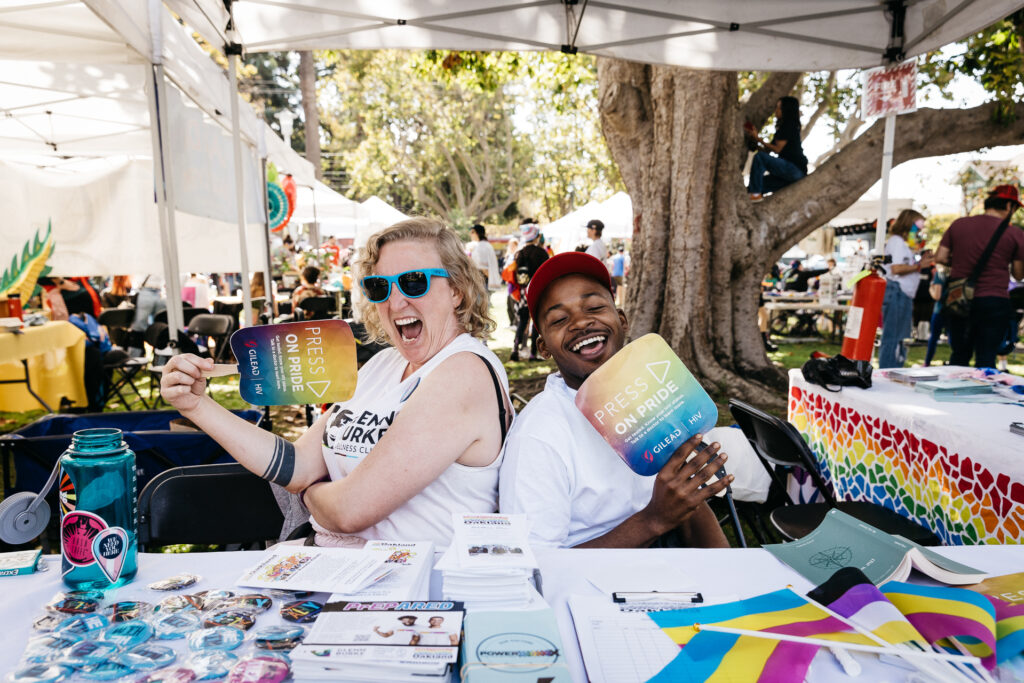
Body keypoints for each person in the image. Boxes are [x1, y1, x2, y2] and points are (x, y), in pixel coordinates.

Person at [160, 218, 512, 548]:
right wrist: (197, 406)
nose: (394, 300)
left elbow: (348, 512)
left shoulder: (463, 372)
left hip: (413, 592)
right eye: (378, 286)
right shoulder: (385, 364)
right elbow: (296, 465)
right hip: (336, 573)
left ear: (457, 291)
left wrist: (309, 492)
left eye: (414, 281)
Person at [499, 252, 733, 548]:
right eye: (559, 319)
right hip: (588, 586)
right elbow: (536, 565)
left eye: (595, 307)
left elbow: (688, 506)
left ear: (621, 320)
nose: (581, 322)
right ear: (544, 347)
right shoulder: (540, 435)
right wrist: (654, 520)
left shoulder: (654, 394)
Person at [935, 184, 1024, 368]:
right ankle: (982, 395)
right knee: (986, 357)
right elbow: (1018, 274)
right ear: (1009, 206)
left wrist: (960, 261)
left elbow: (941, 257)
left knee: (959, 355)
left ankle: (953, 394)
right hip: (993, 301)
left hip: (959, 299)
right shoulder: (1014, 233)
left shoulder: (959, 224)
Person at [879, 210, 932, 369]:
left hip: (903, 293)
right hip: (897, 292)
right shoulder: (896, 241)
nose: (919, 231)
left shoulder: (904, 244)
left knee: (899, 337)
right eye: (918, 226)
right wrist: (918, 266)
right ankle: (888, 369)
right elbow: (896, 268)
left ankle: (894, 367)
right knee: (893, 337)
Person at [745, 96, 808, 201]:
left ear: (785, 110)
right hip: (787, 176)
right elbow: (768, 151)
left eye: (778, 108)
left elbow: (777, 149)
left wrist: (758, 139)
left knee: (759, 157)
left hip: (795, 170)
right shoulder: (781, 128)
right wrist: (755, 142)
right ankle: (755, 195)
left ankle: (755, 196)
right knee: (754, 186)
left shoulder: (789, 125)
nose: (776, 111)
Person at [510, 223, 549, 362]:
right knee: (536, 323)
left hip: (523, 294)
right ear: (537, 236)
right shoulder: (541, 253)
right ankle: (533, 353)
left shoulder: (519, 254)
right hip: (538, 291)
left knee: (522, 321)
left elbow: (515, 275)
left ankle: (515, 350)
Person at [467, 224, 500, 291]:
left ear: (478, 233)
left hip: (482, 280)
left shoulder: (482, 246)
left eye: (473, 232)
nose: (471, 234)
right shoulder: (482, 245)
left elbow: (484, 269)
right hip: (482, 280)